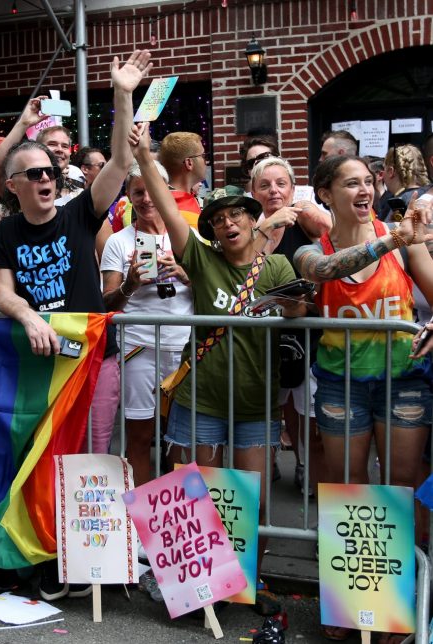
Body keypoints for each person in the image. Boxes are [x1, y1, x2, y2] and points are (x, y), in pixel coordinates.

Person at [0, 49, 153, 602]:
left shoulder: (82, 211)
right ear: (13, 185)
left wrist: (122, 93)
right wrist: (30, 316)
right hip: (35, 364)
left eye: (51, 172)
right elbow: (2, 291)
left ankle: (81, 563)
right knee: (35, 458)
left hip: (92, 358)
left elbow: (121, 166)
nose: (46, 178)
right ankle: (37, 552)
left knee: (87, 456)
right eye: (33, 173)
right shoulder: (7, 233)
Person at [131, 121, 307, 616]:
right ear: (210, 230)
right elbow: (166, 205)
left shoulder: (276, 268)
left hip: (255, 402)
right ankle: (195, 588)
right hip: (201, 397)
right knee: (194, 497)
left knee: (252, 503)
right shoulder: (202, 259)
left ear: (255, 221)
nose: (229, 224)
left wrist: (293, 309)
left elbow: (295, 312)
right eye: (220, 219)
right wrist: (145, 156)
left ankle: (243, 586)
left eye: (237, 216)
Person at [293, 155, 433, 642]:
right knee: (347, 487)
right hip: (339, 385)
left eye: (369, 181)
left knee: (399, 487)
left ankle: (399, 601)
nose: (365, 189)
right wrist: (391, 239)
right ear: (325, 194)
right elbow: (328, 269)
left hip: (404, 382)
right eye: (350, 183)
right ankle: (350, 601)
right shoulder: (312, 251)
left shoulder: (405, 244)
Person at [101, 160, 192, 486]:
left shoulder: (187, 234)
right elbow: (107, 301)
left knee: (181, 439)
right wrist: (130, 284)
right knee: (139, 434)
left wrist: (185, 273)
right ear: (128, 196)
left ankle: (176, 519)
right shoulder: (118, 241)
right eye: (138, 192)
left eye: (152, 190)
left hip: (184, 349)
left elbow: (213, 289)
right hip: (138, 348)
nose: (146, 199)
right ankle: (139, 524)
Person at [250, 156, 328, 493]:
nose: (274, 191)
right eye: (265, 185)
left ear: (294, 189)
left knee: (307, 416)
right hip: (260, 341)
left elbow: (334, 245)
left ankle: (307, 470)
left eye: (281, 183)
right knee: (265, 411)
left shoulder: (306, 226)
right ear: (253, 191)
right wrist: (264, 228)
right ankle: (262, 475)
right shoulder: (246, 229)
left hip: (306, 337)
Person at [159, 131, 207, 228]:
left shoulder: (162, 199)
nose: (206, 161)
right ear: (189, 163)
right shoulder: (175, 205)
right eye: (203, 156)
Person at [381, 143, 431, 220]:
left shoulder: (399, 203)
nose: (382, 174)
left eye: (383, 168)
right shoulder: (429, 193)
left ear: (390, 171)